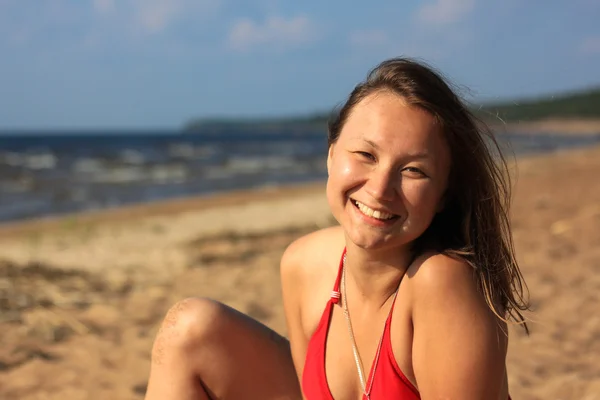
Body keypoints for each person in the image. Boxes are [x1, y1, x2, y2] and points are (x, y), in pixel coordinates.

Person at [143, 57, 529, 400]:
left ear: (443, 194)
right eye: (365, 155)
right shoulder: (304, 264)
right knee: (190, 328)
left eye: (413, 170)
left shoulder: (440, 283)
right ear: (331, 155)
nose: (379, 189)